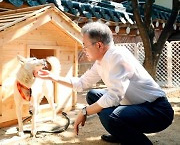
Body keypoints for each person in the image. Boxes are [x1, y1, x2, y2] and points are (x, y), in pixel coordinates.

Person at [35, 22, 174, 145]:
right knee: (93, 95)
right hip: (135, 104)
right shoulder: (101, 61)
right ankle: (121, 134)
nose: (83, 50)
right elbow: (81, 83)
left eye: (85, 46)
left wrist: (84, 111)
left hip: (157, 111)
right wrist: (53, 77)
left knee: (111, 116)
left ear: (99, 45)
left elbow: (113, 97)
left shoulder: (117, 56)